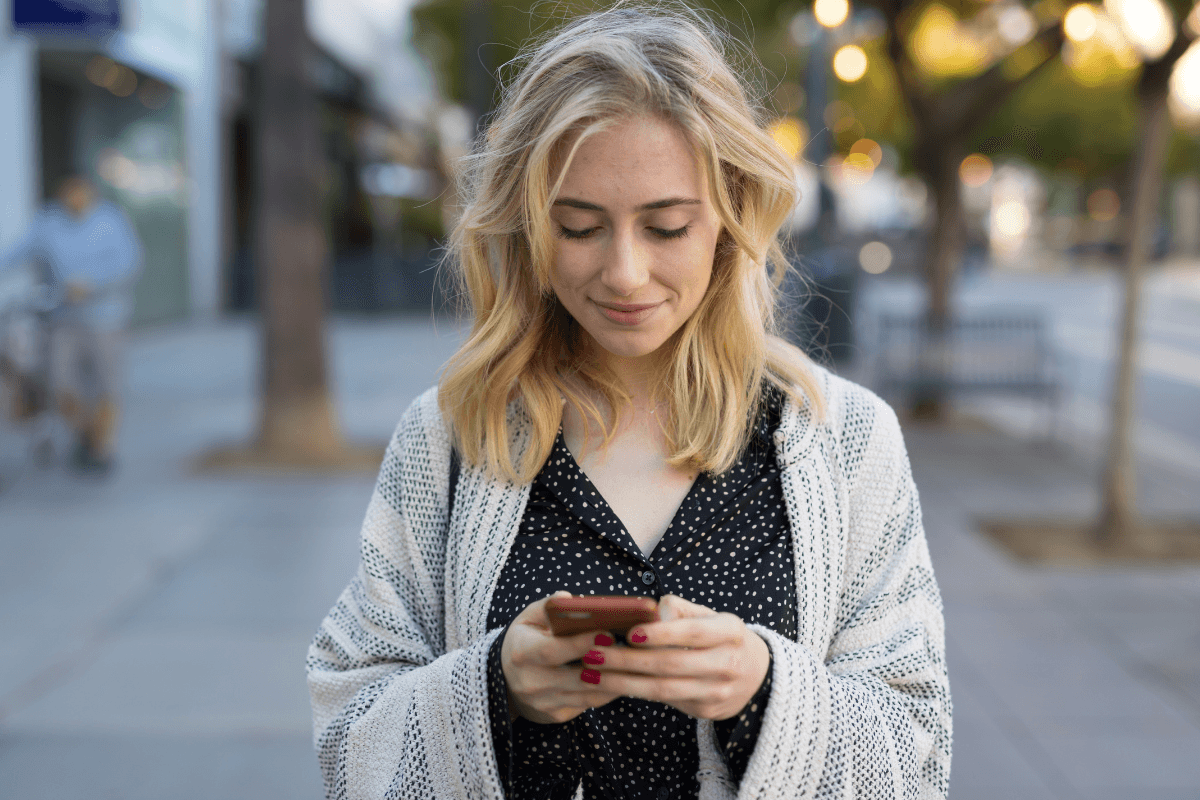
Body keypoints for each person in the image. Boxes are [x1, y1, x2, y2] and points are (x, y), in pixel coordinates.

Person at [307, 7, 951, 799]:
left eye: (667, 227)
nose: (624, 273)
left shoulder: (844, 441)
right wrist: (494, 688)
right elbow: (348, 735)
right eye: (578, 228)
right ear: (528, 226)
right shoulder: (446, 439)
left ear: (730, 214)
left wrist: (764, 688)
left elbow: (918, 752)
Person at [0, 175, 143, 473]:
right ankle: (86, 435)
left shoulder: (111, 220)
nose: (74, 199)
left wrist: (93, 284)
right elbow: (18, 253)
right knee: (60, 386)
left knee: (107, 387)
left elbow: (129, 263)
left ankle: (102, 449)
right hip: (63, 318)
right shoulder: (48, 223)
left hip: (105, 319)